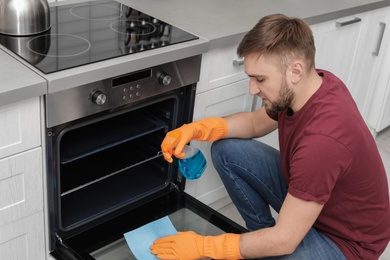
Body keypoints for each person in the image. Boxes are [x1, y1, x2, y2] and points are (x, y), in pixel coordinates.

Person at [150, 14, 390, 259]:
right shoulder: (311, 85)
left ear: (295, 70)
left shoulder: (322, 142)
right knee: (227, 151)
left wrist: (204, 247)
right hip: (317, 201)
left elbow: (285, 241)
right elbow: (255, 123)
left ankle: (267, 246)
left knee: (281, 244)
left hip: (346, 242)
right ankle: (261, 238)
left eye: (260, 79)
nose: (253, 89)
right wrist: (195, 128)